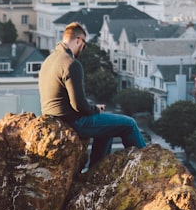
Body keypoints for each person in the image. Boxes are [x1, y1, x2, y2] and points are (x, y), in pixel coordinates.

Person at [39, 21, 146, 169]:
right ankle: (145, 164)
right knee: (129, 124)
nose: (83, 49)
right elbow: (79, 106)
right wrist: (95, 109)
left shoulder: (49, 60)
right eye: (84, 44)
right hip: (73, 121)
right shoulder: (71, 64)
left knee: (107, 127)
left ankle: (97, 169)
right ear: (78, 40)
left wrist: (94, 108)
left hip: (53, 117)